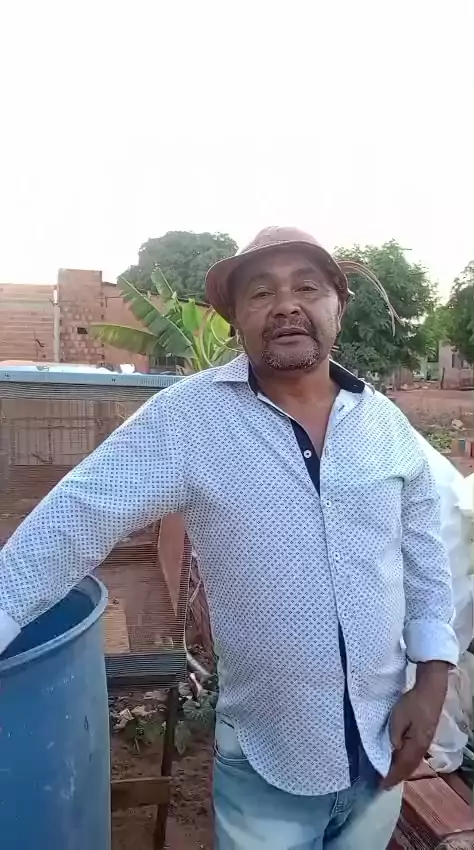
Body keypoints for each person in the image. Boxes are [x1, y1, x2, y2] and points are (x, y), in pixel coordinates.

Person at [0, 227, 458, 849]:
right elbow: (78, 516)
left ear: (339, 305)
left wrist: (432, 681)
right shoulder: (189, 420)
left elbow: (425, 557)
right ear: (236, 317)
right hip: (267, 760)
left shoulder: (385, 425)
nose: (286, 305)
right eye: (261, 293)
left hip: (381, 752)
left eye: (307, 287)